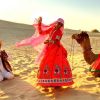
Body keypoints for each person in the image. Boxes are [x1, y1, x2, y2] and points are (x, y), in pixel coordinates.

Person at [16, 17, 74, 87]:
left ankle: (57, 83)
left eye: (60, 24)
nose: (59, 25)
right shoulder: (52, 29)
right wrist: (40, 23)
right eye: (58, 23)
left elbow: (56, 41)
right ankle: (47, 81)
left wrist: (49, 41)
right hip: (49, 48)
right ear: (56, 23)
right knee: (47, 63)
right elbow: (41, 32)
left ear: (61, 26)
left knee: (56, 63)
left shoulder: (59, 32)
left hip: (56, 49)